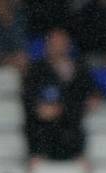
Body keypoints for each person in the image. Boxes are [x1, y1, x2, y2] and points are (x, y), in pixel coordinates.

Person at [23, 28, 98, 162]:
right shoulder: (36, 70)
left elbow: (93, 93)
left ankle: (79, 158)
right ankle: (37, 158)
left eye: (62, 43)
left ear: (68, 45)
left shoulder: (79, 69)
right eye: (54, 43)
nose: (58, 47)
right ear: (47, 46)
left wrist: (64, 107)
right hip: (43, 130)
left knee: (73, 128)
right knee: (38, 126)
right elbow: (29, 98)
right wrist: (39, 108)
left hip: (71, 128)